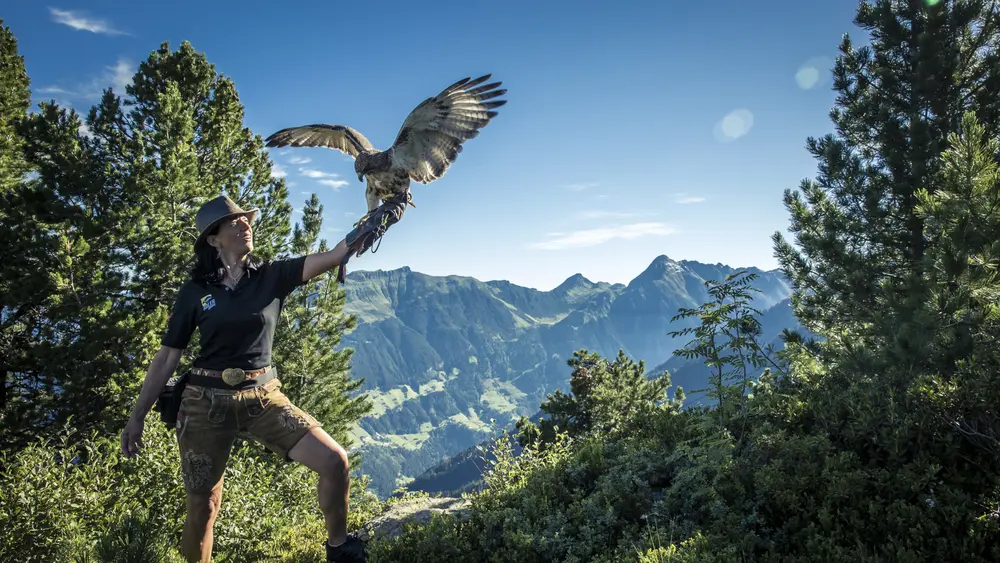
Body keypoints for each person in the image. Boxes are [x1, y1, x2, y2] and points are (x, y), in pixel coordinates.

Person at [120, 193, 407, 563]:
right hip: (204, 402)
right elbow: (167, 358)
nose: (245, 224)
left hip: (263, 397)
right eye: (235, 222)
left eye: (247, 219)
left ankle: (339, 549)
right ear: (213, 238)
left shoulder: (272, 276)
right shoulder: (196, 292)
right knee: (204, 505)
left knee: (335, 461)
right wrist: (137, 415)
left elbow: (335, 255)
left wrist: (370, 224)